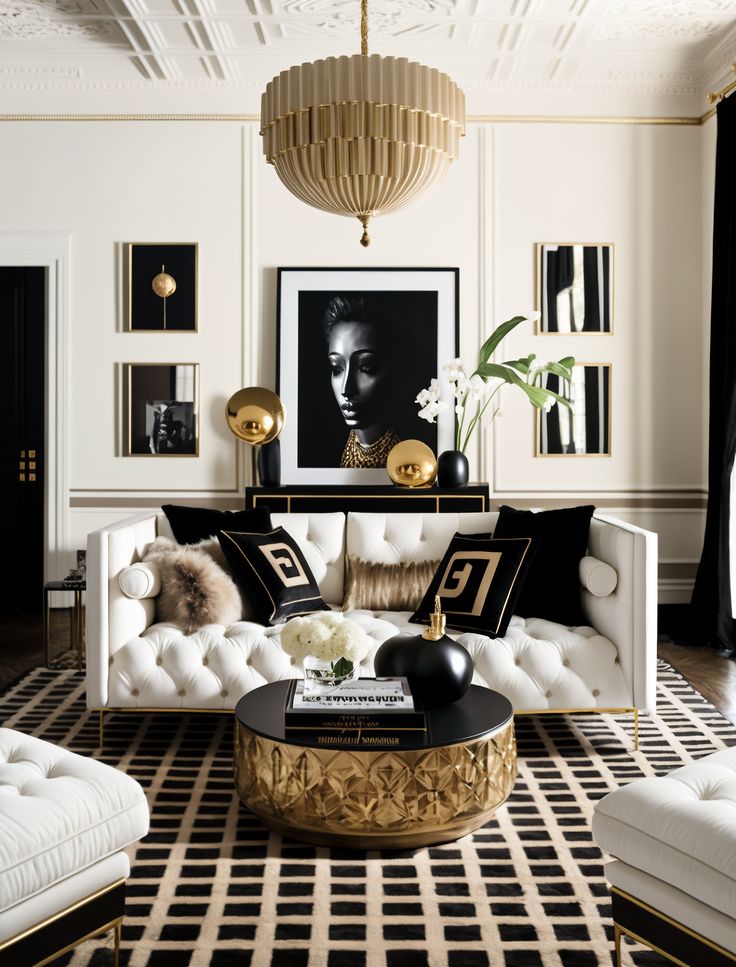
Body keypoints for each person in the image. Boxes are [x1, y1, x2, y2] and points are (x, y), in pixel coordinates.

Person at [323, 294, 400, 468]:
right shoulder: (340, 448)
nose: (346, 388)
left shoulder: (405, 458)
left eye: (366, 367)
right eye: (336, 368)